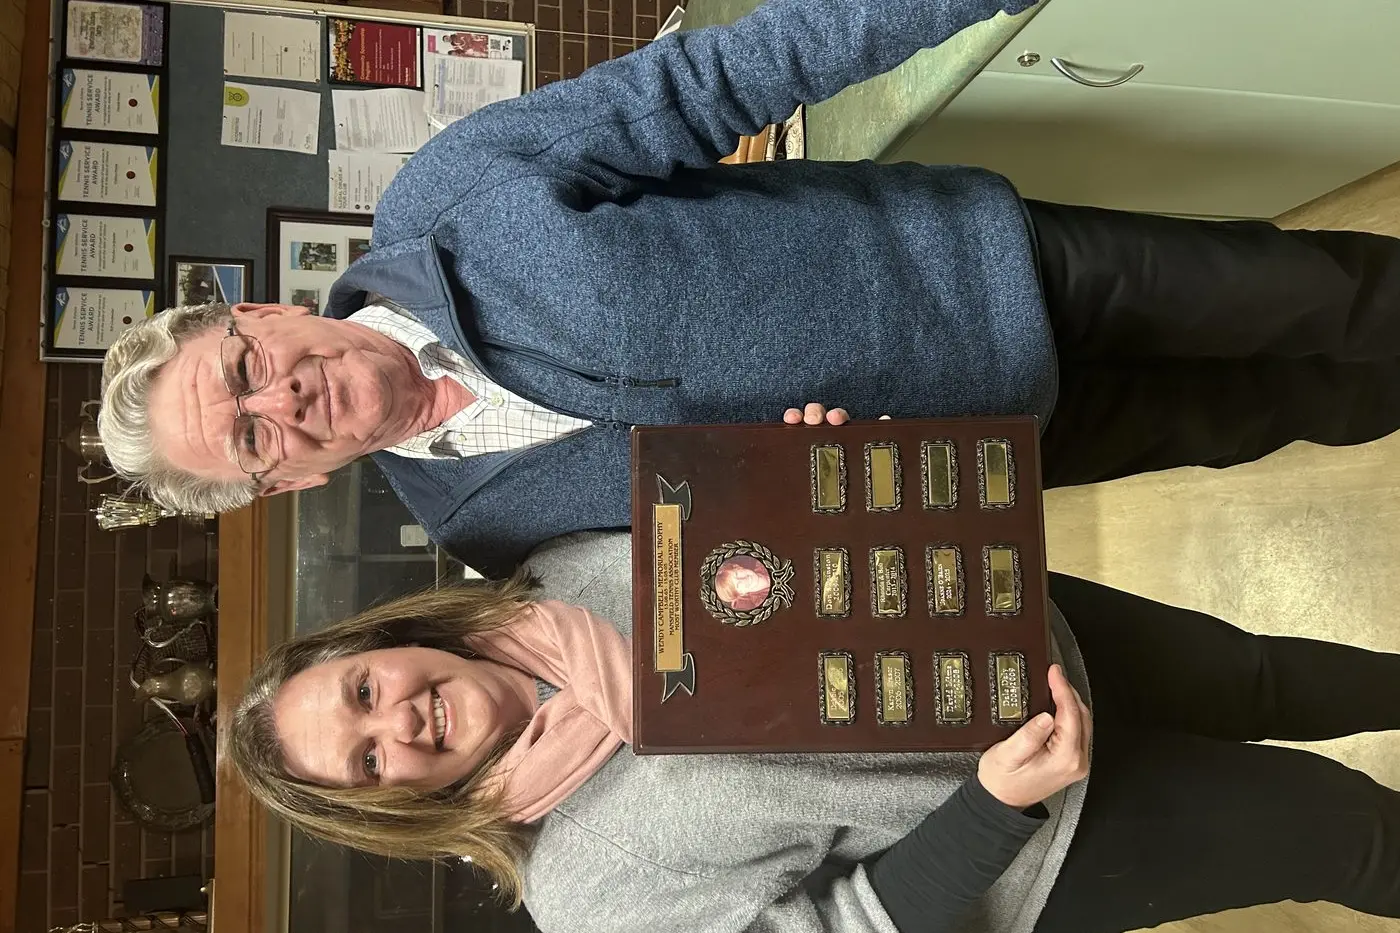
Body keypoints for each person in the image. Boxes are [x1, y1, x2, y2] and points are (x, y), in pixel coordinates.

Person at [98, 0, 1400, 576]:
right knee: (1274, 416)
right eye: (253, 442)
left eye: (242, 373)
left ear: (259, 313)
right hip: (980, 451)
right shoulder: (488, 537)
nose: (282, 402)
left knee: (1320, 297)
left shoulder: (450, 198)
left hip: (988, 271)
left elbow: (715, 81)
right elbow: (741, 576)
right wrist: (821, 515)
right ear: (286, 486)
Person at [230, 531, 1400, 933]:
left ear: (378, 642)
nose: (400, 723)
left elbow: (768, 558)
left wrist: (812, 459)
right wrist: (992, 808)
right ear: (392, 808)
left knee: (1264, 677)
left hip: (1026, 640)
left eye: (364, 692)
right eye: (368, 762)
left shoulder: (561, 573)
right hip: (1053, 835)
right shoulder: (585, 890)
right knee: (1347, 834)